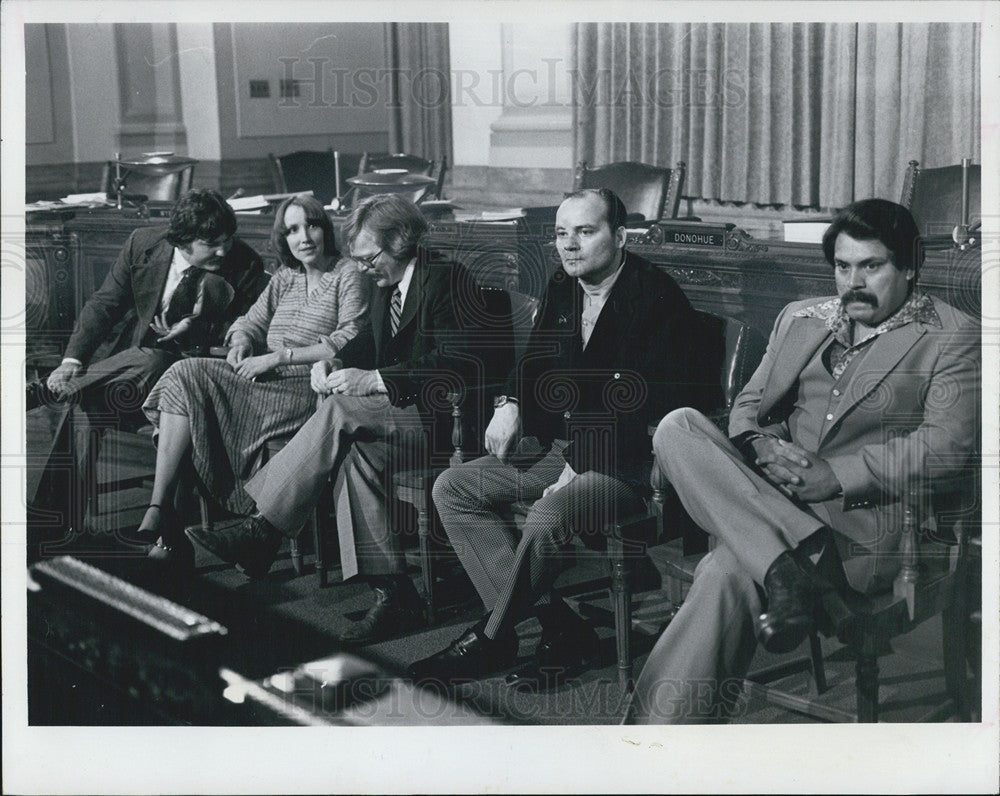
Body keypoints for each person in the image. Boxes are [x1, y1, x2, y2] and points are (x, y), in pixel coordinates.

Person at [623, 198, 980, 724]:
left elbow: (946, 450)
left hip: (867, 528)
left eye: (871, 266)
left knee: (726, 570)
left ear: (909, 265)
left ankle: (650, 747)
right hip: (770, 502)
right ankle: (794, 567)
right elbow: (747, 405)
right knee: (679, 425)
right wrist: (759, 446)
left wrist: (836, 476)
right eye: (842, 266)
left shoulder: (953, 336)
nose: (853, 282)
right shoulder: (801, 317)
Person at [407, 188, 699, 688]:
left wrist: (573, 469)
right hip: (564, 449)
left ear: (621, 236)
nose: (569, 245)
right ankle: (558, 625)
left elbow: (640, 407)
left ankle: (491, 637)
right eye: (561, 233)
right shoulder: (565, 286)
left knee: (546, 516)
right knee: (452, 487)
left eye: (585, 232)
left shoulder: (655, 297)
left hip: (629, 466)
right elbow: (534, 360)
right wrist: (510, 402)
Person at [186, 194, 487, 641]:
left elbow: (460, 362)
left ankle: (263, 529)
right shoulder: (388, 284)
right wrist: (331, 361)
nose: (363, 269)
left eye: (369, 259)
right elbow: (366, 340)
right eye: (360, 260)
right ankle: (394, 594)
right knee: (352, 457)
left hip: (448, 424)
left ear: (401, 242)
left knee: (341, 409)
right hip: (403, 419)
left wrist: (376, 379)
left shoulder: (446, 279)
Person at [136, 194, 370, 567]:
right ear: (284, 238)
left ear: (325, 229)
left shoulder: (347, 274)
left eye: (311, 225)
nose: (304, 237)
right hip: (262, 380)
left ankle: (166, 522)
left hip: (307, 388)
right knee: (183, 375)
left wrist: (278, 356)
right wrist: (242, 341)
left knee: (188, 379)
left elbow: (349, 339)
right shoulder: (286, 277)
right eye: (292, 230)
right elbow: (249, 321)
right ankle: (160, 508)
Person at [27, 189, 268, 537]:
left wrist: (198, 328)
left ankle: (50, 392)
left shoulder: (244, 263)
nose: (223, 250)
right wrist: (71, 360)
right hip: (134, 373)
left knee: (149, 360)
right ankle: (59, 526)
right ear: (182, 241)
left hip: (194, 383)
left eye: (227, 240)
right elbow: (105, 304)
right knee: (89, 402)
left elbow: (248, 327)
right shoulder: (143, 243)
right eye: (211, 243)